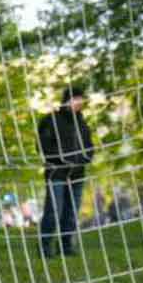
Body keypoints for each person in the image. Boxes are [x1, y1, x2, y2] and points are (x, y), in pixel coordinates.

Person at [37, 86, 95, 257]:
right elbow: (42, 146)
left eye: (82, 99)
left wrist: (85, 157)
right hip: (57, 173)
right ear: (68, 100)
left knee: (71, 212)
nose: (81, 102)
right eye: (77, 98)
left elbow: (89, 146)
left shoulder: (82, 123)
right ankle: (46, 246)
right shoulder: (50, 120)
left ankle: (66, 245)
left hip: (77, 174)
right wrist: (62, 159)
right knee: (54, 210)